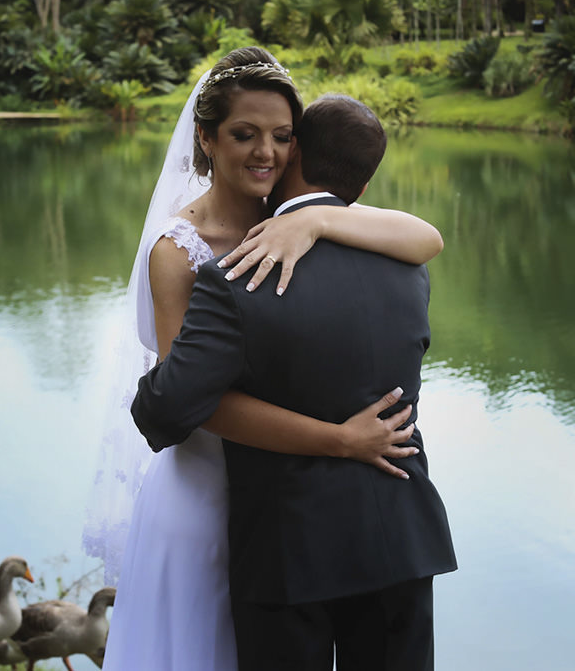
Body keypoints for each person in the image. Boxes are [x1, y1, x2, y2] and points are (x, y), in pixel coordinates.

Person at [85, 47, 443, 671]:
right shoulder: (184, 252)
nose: (266, 153)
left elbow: (427, 237)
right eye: (245, 135)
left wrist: (316, 225)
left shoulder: (314, 221)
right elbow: (188, 402)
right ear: (206, 138)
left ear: (299, 148)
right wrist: (338, 439)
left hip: (297, 513)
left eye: (281, 137)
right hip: (213, 487)